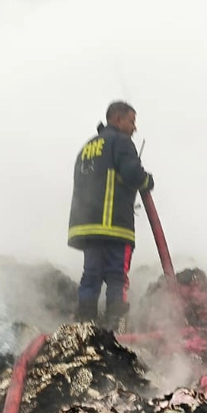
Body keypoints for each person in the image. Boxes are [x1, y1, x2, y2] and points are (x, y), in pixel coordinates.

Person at [68, 101, 155, 329]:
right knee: (117, 277)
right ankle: (115, 328)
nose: (134, 128)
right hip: (114, 227)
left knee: (91, 276)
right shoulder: (121, 142)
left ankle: (85, 326)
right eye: (131, 121)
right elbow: (133, 174)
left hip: (87, 228)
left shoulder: (88, 147)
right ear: (117, 119)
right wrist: (148, 180)